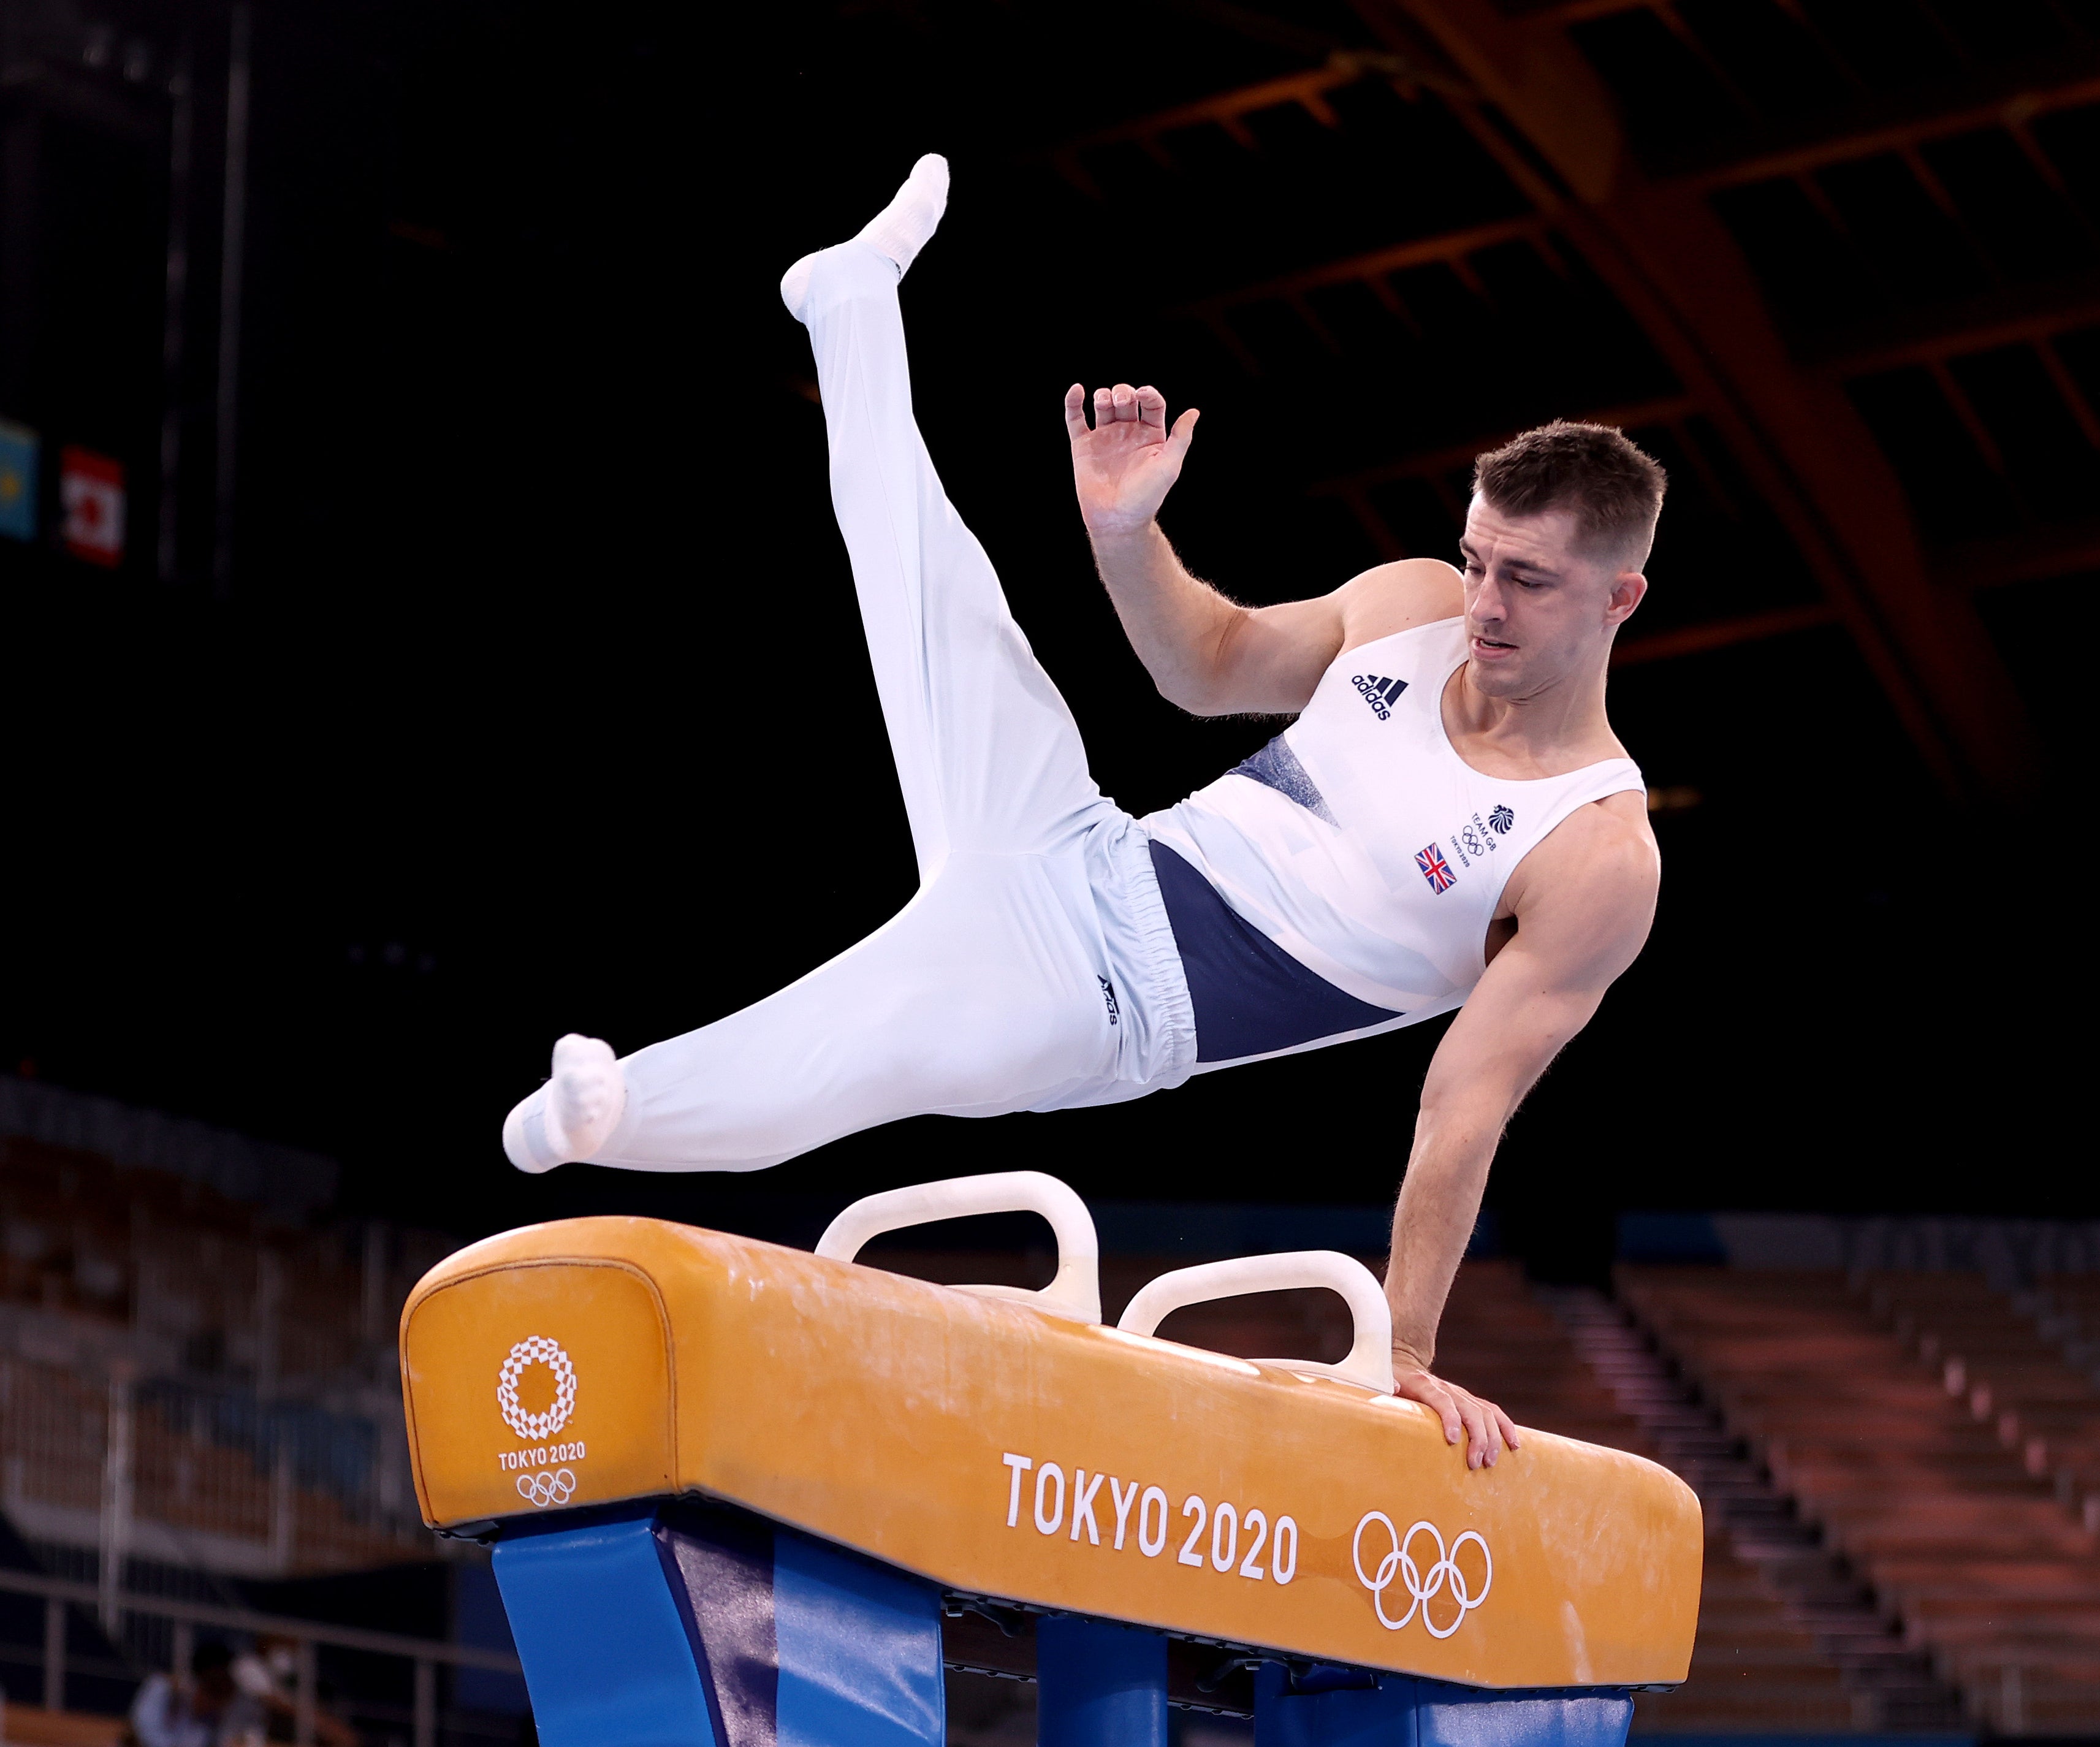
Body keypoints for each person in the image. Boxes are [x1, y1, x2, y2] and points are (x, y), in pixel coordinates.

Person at [501, 157, 1662, 1468]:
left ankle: (608, 1117)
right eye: (1475, 557)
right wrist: (1125, 539)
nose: (1485, 601)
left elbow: (1465, 1105)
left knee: (853, 1052)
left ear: (1619, 599)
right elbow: (1208, 664)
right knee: (933, 594)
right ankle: (850, 306)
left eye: (1528, 580)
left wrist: (1402, 1351)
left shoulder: (1594, 850)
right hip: (1079, 845)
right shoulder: (1408, 610)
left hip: (1101, 1004)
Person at [129, 1642, 267, 1747]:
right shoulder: (161, 1688)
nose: (211, 1710)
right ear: (201, 1690)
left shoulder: (204, 1728)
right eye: (212, 1702)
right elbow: (140, 1730)